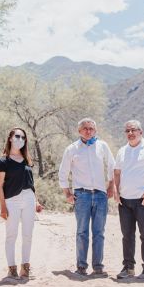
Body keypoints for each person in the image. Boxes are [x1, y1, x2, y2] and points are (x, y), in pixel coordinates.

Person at [58, 118, 115, 276]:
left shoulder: (102, 146)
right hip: (81, 195)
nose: (88, 131)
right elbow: (63, 172)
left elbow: (112, 165)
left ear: (95, 130)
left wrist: (111, 185)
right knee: (82, 232)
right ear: (79, 131)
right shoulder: (72, 149)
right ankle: (81, 266)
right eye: (85, 128)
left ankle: (98, 267)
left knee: (99, 232)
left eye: (91, 128)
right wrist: (67, 193)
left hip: (100, 194)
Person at [113, 120, 144, 280]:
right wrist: (116, 190)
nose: (130, 133)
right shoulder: (122, 151)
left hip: (143, 200)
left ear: (140, 132)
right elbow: (116, 172)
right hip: (124, 201)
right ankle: (128, 268)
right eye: (127, 130)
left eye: (133, 130)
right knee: (127, 235)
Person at [0, 127, 44, 280]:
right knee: (11, 235)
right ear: (10, 138)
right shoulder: (3, 161)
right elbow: (0, 186)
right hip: (12, 201)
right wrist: (2, 207)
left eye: (23, 138)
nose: (20, 140)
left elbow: (31, 183)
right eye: (17, 136)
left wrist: (36, 201)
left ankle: (25, 267)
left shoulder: (27, 160)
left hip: (29, 198)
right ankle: (12, 268)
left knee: (28, 234)